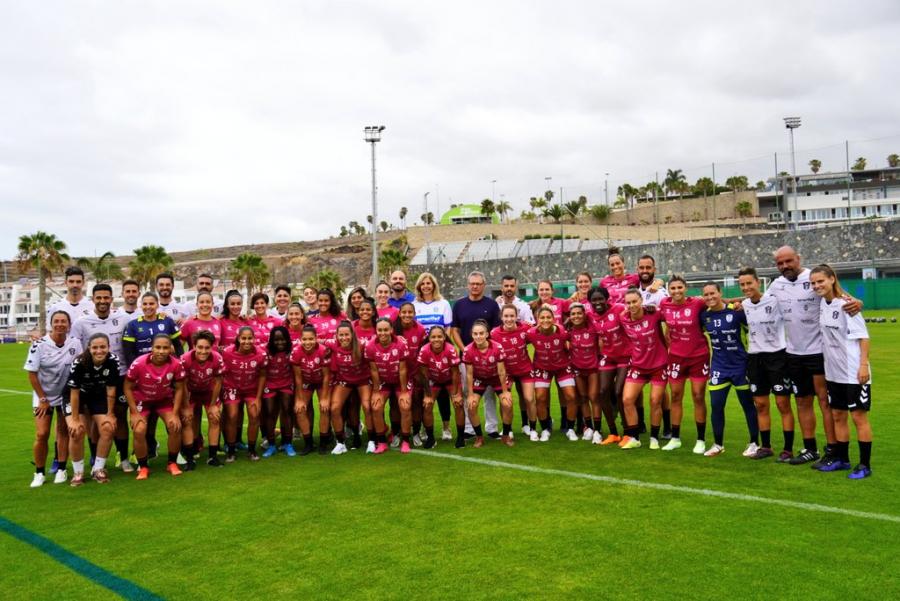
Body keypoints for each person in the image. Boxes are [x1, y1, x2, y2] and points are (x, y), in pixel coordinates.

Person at [768, 246, 862, 466]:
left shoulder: (813, 278)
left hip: (819, 352)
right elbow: (757, 300)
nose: (785, 266)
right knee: (801, 401)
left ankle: (832, 448)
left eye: (788, 261)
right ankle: (810, 448)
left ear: (798, 259)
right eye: (780, 263)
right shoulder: (776, 284)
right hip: (793, 353)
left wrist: (859, 302)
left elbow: (844, 297)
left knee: (824, 401)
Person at [810, 265, 872, 479]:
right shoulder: (822, 304)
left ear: (832, 279)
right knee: (838, 415)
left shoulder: (847, 305)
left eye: (821, 281)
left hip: (854, 373)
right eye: (814, 283)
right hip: (833, 373)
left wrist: (863, 366)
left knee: (858, 417)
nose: (817, 286)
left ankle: (864, 465)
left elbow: (864, 338)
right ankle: (843, 460)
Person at [70, 283, 132, 473]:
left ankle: (123, 458)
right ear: (93, 300)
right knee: (91, 419)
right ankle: (95, 458)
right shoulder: (82, 322)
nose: (103, 301)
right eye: (99, 298)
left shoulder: (123, 318)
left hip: (119, 375)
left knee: (119, 416)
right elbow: (76, 350)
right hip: (92, 379)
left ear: (112, 299)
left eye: (106, 297)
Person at [738, 267, 795, 461]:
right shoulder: (744, 305)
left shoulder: (775, 301)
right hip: (754, 359)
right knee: (761, 405)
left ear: (757, 282)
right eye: (742, 284)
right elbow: (729, 303)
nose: (746, 287)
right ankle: (766, 446)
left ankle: (788, 449)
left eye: (749, 283)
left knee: (782, 403)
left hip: (778, 357)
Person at [699, 282, 759, 457]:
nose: (710, 297)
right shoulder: (704, 317)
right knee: (716, 405)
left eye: (713, 293)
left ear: (720, 293)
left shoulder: (737, 312)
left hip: (741, 366)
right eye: (706, 295)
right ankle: (718, 444)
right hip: (718, 367)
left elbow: (753, 332)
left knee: (747, 405)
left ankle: (754, 442)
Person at [25, 311, 82, 487]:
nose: (60, 324)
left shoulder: (75, 343)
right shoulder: (39, 345)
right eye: (56, 321)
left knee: (63, 431)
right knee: (42, 433)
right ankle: (39, 472)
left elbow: (79, 366)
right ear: (51, 324)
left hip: (65, 394)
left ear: (69, 324)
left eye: (63, 321)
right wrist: (42, 398)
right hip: (44, 395)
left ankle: (62, 469)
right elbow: (32, 374)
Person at [123, 333, 186, 479]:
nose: (161, 351)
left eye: (165, 347)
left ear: (170, 349)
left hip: (163, 400)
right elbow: (127, 387)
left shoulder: (176, 364)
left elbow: (179, 388)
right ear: (151, 348)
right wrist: (134, 413)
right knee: (139, 430)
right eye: (158, 347)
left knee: (174, 425)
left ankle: (172, 463)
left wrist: (176, 414)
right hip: (142, 402)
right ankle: (143, 467)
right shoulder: (139, 363)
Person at [658, 276, 710, 453]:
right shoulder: (665, 304)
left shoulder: (697, 303)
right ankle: (675, 438)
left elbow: (716, 301)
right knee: (676, 396)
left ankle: (701, 440)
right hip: (676, 358)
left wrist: (736, 304)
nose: (676, 291)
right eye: (673, 288)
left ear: (686, 288)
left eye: (679, 287)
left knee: (697, 396)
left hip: (698, 356)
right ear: (668, 290)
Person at [450, 271, 501, 438]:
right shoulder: (459, 305)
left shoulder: (492, 305)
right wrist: (464, 349)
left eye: (478, 283)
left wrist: (488, 349)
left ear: (483, 285)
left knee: (489, 393)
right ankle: (469, 429)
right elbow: (454, 330)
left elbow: (495, 331)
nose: (475, 286)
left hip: (488, 357)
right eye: (472, 283)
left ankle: (492, 428)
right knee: (467, 392)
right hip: (466, 358)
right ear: (468, 284)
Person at [64, 333, 119, 486]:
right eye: (95, 347)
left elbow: (111, 390)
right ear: (89, 348)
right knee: (77, 430)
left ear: (108, 347)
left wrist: (110, 414)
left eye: (103, 347)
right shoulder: (80, 362)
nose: (99, 351)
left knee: (108, 428)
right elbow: (74, 393)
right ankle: (78, 473)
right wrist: (75, 419)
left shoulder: (113, 361)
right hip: (75, 397)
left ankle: (98, 469)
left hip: (97, 396)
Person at [618, 289, 669, 449]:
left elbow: (672, 313)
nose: (632, 305)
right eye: (628, 302)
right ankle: (634, 438)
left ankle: (654, 438)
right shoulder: (623, 318)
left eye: (634, 301)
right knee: (627, 400)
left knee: (655, 401)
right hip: (638, 366)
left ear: (641, 301)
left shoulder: (653, 314)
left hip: (659, 365)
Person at [462, 320, 514, 448]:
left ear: (487, 334)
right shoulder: (468, 350)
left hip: (496, 378)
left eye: (481, 333)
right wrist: (470, 394)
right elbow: (469, 374)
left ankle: (506, 435)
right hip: (480, 379)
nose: (478, 336)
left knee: (507, 403)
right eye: (475, 334)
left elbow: (501, 371)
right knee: (472, 405)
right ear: (471, 335)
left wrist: (505, 391)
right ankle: (479, 437)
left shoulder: (497, 347)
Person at [528, 306, 576, 442]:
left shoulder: (562, 331)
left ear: (554, 319)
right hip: (542, 368)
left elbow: (573, 340)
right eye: (542, 317)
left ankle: (570, 428)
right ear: (537, 320)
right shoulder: (531, 333)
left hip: (562, 367)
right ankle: (545, 429)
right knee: (541, 397)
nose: (545, 320)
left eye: (548, 317)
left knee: (571, 396)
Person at [589, 286, 629, 445]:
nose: (597, 303)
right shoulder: (590, 315)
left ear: (607, 299)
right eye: (594, 300)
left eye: (600, 299)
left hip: (625, 355)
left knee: (619, 392)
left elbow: (635, 313)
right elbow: (576, 319)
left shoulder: (619, 309)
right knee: (603, 391)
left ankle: (627, 432)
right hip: (608, 355)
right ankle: (613, 433)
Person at [491, 305, 538, 441]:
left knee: (529, 399)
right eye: (506, 316)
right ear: (501, 317)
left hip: (525, 370)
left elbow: (539, 335)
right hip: (506, 373)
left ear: (517, 316)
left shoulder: (525, 328)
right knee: (505, 401)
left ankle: (533, 428)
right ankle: (508, 429)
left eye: (512, 316)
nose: (509, 319)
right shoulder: (494, 333)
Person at [327, 321, 375, 453]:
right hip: (344, 382)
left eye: (346, 335)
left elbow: (375, 344)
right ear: (336, 336)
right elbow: (316, 340)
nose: (344, 338)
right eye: (340, 335)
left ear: (352, 335)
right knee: (334, 408)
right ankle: (340, 442)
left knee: (367, 406)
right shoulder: (333, 344)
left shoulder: (361, 346)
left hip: (362, 381)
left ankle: (372, 440)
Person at [221, 326, 267, 462]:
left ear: (254, 339)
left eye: (250, 338)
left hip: (251, 390)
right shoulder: (227, 352)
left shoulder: (261, 354)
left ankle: (252, 450)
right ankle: (231, 450)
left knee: (254, 415)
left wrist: (258, 398)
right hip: (232, 389)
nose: (247, 341)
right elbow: (221, 374)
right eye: (244, 338)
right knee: (232, 415)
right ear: (238, 338)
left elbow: (263, 376)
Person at [180, 330, 225, 467]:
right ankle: (190, 458)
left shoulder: (217, 358)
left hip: (208, 392)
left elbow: (218, 382)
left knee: (214, 417)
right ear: (193, 346)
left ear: (212, 347)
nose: (203, 351)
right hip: (191, 392)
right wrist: (186, 406)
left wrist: (213, 405)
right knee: (187, 420)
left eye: (207, 348)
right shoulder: (185, 359)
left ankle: (212, 457)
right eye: (200, 347)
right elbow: (182, 384)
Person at [367, 318, 412, 452]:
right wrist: (375, 391)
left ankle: (405, 441)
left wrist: (404, 391)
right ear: (376, 331)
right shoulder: (370, 346)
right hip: (383, 382)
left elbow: (403, 369)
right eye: (380, 330)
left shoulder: (400, 344)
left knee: (405, 406)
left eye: (386, 330)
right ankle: (382, 442)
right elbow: (374, 370)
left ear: (391, 330)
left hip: (400, 381)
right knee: (376, 406)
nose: (383, 333)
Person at [418, 326, 462, 447]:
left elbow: (455, 373)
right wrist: (427, 395)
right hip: (433, 381)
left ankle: (461, 437)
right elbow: (424, 374)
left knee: (458, 404)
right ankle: (431, 438)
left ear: (444, 337)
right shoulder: (424, 350)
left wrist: (457, 394)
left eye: (439, 336)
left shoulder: (451, 349)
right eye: (433, 337)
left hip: (449, 380)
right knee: (427, 405)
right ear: (429, 338)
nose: (436, 339)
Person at [291, 325, 331, 455]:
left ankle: (324, 443)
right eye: (305, 339)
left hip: (321, 382)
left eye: (311, 339)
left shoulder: (323, 350)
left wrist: (324, 398)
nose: (308, 342)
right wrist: (299, 399)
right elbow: (298, 378)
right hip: (306, 383)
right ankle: (308, 443)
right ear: (300, 339)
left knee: (324, 408)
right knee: (300, 409)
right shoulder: (296, 352)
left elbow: (326, 376)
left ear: (316, 339)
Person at [394, 302, 427, 447]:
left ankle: (415, 433)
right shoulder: (393, 329)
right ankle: (397, 433)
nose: (407, 315)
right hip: (396, 373)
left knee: (416, 402)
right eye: (404, 312)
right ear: (399, 313)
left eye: (410, 312)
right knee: (396, 404)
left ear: (414, 314)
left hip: (415, 372)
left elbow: (423, 350)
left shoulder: (419, 329)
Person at [261, 327, 296, 457]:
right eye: (276, 340)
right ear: (271, 340)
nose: (280, 342)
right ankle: (271, 445)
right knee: (269, 412)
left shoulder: (292, 349)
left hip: (286, 383)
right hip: (270, 383)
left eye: (282, 340)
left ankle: (288, 443)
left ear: (287, 339)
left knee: (287, 410)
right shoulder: (265, 350)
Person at [567, 302, 599, 442]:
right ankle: (589, 428)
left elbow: (592, 315)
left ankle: (598, 430)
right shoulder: (569, 331)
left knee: (594, 397)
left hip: (593, 368)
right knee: (583, 398)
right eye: (573, 314)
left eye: (579, 313)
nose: (576, 316)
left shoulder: (592, 327)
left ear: (585, 314)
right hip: (577, 369)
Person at [122, 292, 182, 364]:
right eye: (145, 304)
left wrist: (180, 363)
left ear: (157, 305)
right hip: (143, 368)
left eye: (151, 304)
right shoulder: (132, 325)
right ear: (141, 306)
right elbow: (129, 354)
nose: (148, 307)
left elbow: (178, 346)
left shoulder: (168, 321)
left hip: (166, 368)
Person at [45, 265, 94, 330]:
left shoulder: (93, 305)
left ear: (83, 283)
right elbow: (50, 331)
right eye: (71, 281)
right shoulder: (55, 307)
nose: (75, 285)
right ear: (66, 283)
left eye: (78, 282)